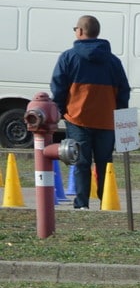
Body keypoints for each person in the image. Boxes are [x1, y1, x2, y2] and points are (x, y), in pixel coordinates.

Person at [50, 15, 131, 209]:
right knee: (105, 163)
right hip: (106, 120)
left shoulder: (68, 57)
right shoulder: (113, 61)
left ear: (79, 31)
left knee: (80, 162)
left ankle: (81, 203)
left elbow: (58, 87)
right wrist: (119, 112)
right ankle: (106, 202)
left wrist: (60, 111)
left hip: (77, 118)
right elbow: (124, 90)